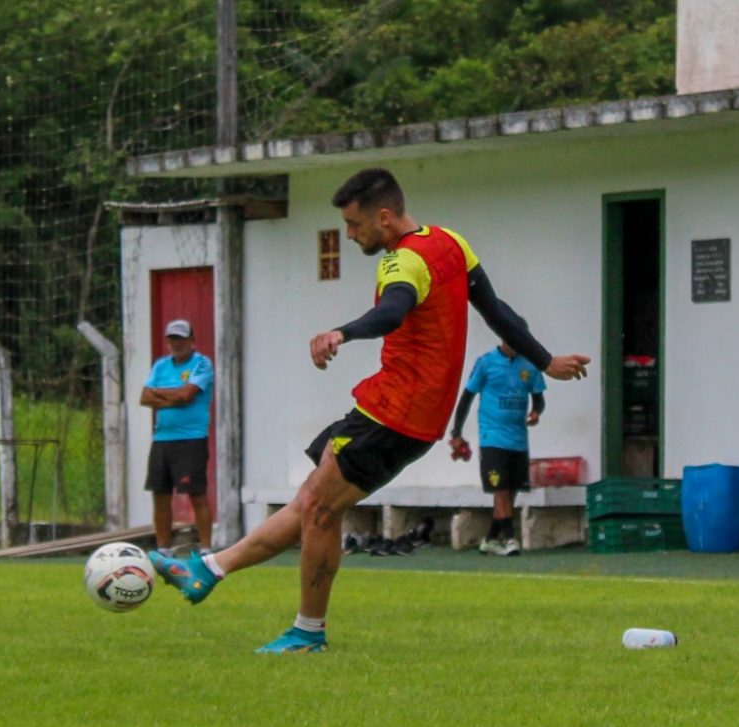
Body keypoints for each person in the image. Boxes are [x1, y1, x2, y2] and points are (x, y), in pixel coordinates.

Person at [149, 168, 589, 654]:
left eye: (354, 224)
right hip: (401, 413)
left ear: (383, 217)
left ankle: (306, 632)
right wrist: (546, 360)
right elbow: (495, 309)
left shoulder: (402, 262)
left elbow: (391, 312)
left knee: (320, 509)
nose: (350, 234)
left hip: (395, 414)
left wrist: (341, 332)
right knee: (313, 500)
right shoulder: (451, 243)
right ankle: (207, 570)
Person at [449, 339, 546, 557]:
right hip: (492, 438)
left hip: (518, 439)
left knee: (511, 492)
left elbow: (539, 399)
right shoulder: (486, 363)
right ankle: (510, 539)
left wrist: (536, 412)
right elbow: (466, 397)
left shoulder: (530, 365)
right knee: (500, 490)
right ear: (504, 338)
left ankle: (490, 539)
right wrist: (456, 432)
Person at [139, 318, 215, 555]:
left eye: (181, 339)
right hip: (162, 438)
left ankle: (205, 548)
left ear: (192, 340)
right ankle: (163, 548)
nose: (177, 344)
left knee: (196, 494)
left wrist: (160, 395)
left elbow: (186, 395)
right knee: (160, 494)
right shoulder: (161, 366)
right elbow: (144, 397)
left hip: (191, 438)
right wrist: (174, 396)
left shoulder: (201, 364)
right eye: (172, 339)